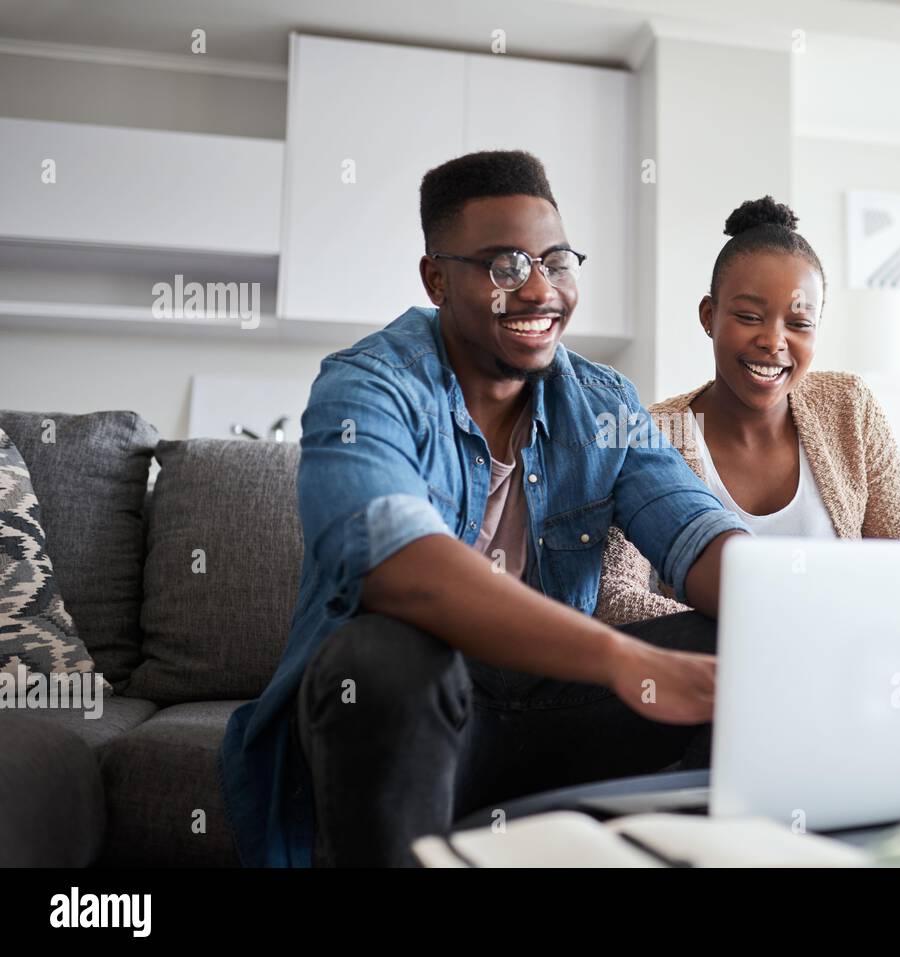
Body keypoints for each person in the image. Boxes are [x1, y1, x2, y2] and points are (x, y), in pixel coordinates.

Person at [218, 151, 750, 867]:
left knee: (742, 644)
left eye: (557, 262)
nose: (539, 289)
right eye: (505, 265)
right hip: (421, 712)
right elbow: (400, 568)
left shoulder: (604, 403)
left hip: (557, 710)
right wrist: (621, 657)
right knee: (386, 658)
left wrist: (794, 608)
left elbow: (697, 534)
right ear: (438, 278)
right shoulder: (366, 387)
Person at [596, 196, 900, 627]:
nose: (774, 341)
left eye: (800, 323)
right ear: (708, 316)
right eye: (750, 316)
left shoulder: (850, 407)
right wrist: (762, 629)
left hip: (842, 665)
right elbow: (613, 598)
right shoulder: (650, 432)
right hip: (708, 674)